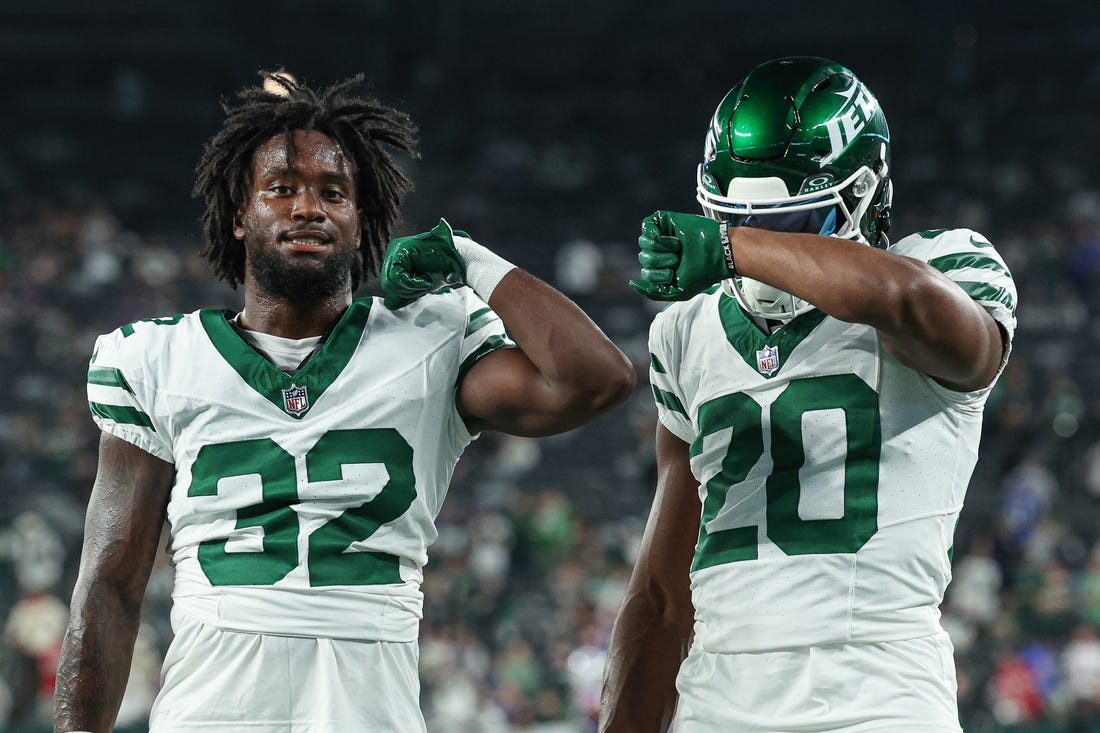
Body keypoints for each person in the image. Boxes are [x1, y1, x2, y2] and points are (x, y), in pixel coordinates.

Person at [54, 71, 636, 733]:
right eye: (281, 189)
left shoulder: (429, 341)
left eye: (334, 192)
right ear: (240, 214)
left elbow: (596, 380)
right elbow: (110, 586)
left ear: (363, 222)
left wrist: (473, 258)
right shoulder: (158, 359)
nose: (308, 207)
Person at [599, 56, 1016, 732]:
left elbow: (904, 300)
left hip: (878, 695)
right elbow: (662, 595)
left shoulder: (944, 266)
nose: (759, 243)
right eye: (736, 219)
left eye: (789, 222)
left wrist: (736, 246)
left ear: (865, 196)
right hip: (717, 697)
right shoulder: (686, 332)